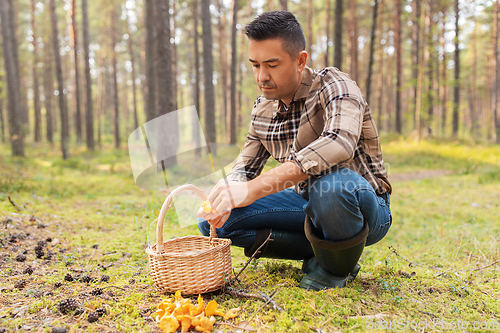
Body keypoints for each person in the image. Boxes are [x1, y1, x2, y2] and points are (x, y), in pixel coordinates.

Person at [198, 10, 392, 290]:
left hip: (362, 205)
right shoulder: (262, 108)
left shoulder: (335, 85)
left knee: (333, 186)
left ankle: (334, 270)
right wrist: (231, 188)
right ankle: (322, 252)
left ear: (300, 61)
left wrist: (254, 189)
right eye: (255, 65)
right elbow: (245, 167)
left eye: (272, 65)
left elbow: (340, 143)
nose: (262, 76)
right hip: (305, 204)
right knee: (216, 222)